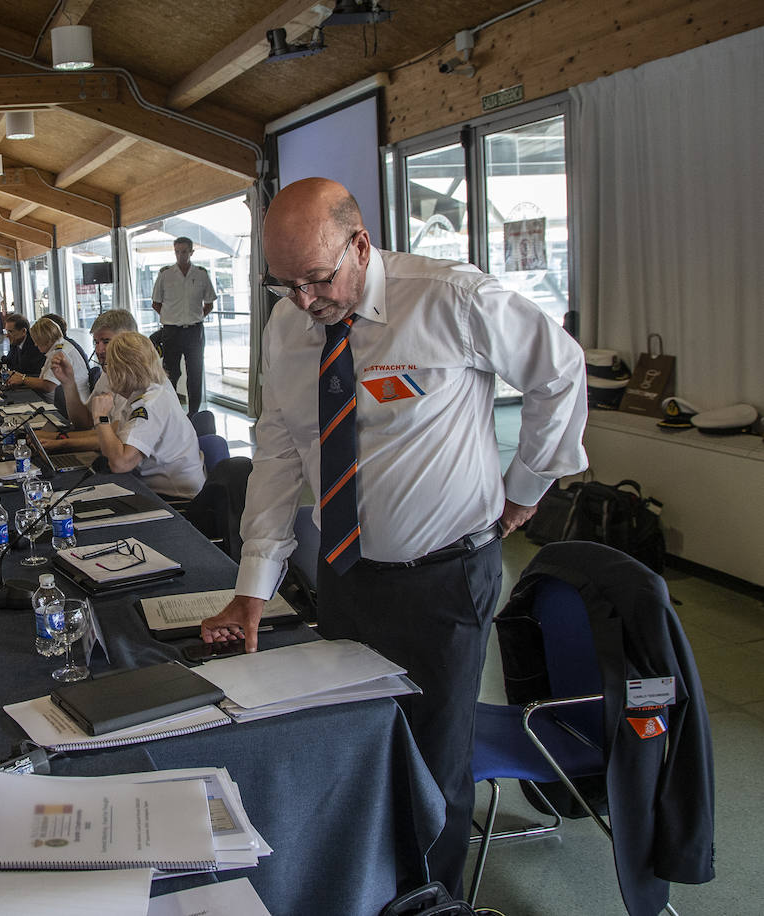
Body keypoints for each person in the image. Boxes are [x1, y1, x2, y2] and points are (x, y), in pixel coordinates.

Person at [198, 178, 588, 896]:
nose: (305, 301)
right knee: (355, 745)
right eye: (284, 285)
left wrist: (525, 489)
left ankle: (427, 904)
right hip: (346, 577)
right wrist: (253, 587)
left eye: (316, 279)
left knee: (434, 764)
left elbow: (558, 371)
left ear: (361, 244)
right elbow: (280, 452)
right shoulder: (287, 328)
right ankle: (366, 891)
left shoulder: (449, 298)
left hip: (444, 578)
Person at [88, 331, 206, 500]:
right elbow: (115, 440)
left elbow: (120, 463)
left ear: (123, 370)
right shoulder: (145, 391)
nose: (106, 372)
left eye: (108, 365)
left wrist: (101, 417)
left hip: (176, 499)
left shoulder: (150, 403)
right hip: (155, 487)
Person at [39, 308, 139, 452]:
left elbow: (115, 437)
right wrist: (69, 383)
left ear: (128, 341)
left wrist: (60, 439)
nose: (99, 350)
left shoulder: (136, 378)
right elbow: (84, 422)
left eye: (106, 341)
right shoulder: (108, 373)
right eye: (96, 342)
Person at [151, 236, 217, 415]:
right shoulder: (165, 274)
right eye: (177, 252)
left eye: (184, 252)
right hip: (171, 331)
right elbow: (156, 303)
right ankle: (171, 411)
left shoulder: (201, 274)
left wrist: (194, 318)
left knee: (195, 373)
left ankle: (193, 413)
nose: (180, 255)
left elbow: (209, 303)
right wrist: (172, 318)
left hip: (194, 331)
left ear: (191, 252)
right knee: (171, 373)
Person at [2, 315, 90, 403]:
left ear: (45, 338)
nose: (35, 345)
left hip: (68, 405)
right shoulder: (59, 347)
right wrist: (21, 377)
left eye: (36, 340)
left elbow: (48, 385)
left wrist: (23, 379)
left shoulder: (60, 353)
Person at [0, 313, 45, 378]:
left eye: (10, 331)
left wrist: (4, 372)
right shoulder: (15, 342)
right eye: (7, 332)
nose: (7, 335)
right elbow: (9, 360)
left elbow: (27, 371)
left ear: (23, 331)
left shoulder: (35, 346)